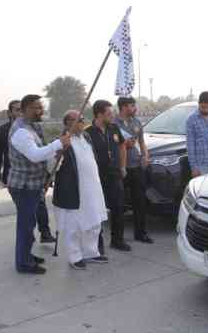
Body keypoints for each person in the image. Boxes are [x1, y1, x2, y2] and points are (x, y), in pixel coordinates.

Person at [8, 94, 70, 274]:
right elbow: (35, 155)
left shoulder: (32, 127)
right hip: (23, 186)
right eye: (36, 107)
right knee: (26, 225)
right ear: (25, 109)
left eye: (40, 107)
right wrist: (58, 143)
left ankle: (26, 256)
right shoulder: (20, 131)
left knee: (29, 223)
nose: (39, 111)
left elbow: (43, 153)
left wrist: (55, 153)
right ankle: (23, 263)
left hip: (33, 184)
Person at [0, 99, 56, 243]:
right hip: (17, 178)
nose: (19, 112)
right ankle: (27, 244)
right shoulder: (5, 130)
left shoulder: (34, 128)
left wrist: (47, 175)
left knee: (40, 205)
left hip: (35, 178)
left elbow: (42, 151)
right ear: (10, 113)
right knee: (27, 214)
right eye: (16, 110)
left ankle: (44, 232)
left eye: (21, 109)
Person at [52, 110, 108, 269]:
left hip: (93, 188)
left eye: (83, 119)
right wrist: (58, 153)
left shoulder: (87, 137)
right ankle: (75, 257)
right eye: (79, 119)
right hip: (74, 190)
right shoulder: (61, 141)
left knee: (94, 221)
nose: (83, 122)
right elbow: (52, 166)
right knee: (73, 225)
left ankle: (91, 253)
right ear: (68, 123)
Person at [86, 100, 131, 253]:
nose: (112, 116)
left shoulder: (114, 128)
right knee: (97, 212)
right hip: (97, 178)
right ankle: (97, 245)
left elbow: (122, 146)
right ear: (99, 114)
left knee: (118, 208)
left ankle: (117, 240)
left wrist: (123, 166)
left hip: (115, 174)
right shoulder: (88, 133)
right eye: (108, 114)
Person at [115, 96, 154, 244]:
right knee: (119, 204)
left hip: (137, 167)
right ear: (124, 107)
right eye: (132, 106)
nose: (134, 108)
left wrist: (145, 156)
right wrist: (123, 143)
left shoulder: (137, 122)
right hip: (121, 169)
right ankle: (118, 238)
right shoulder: (113, 123)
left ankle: (141, 233)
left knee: (140, 202)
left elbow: (142, 143)